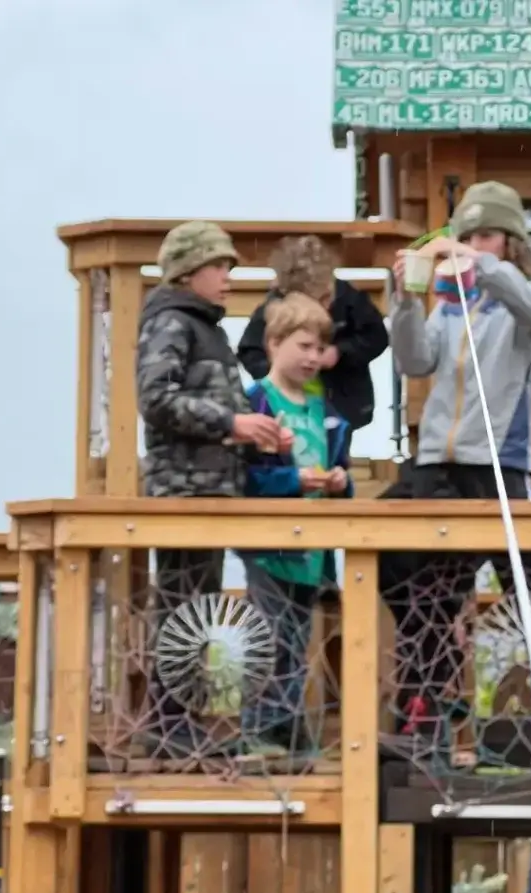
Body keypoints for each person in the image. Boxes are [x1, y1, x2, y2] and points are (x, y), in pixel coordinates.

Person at [137, 221, 291, 753]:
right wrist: (232, 424)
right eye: (219, 266)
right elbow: (155, 400)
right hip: (182, 491)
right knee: (181, 605)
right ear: (189, 269)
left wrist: (261, 433)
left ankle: (177, 724)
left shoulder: (211, 330)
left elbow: (221, 409)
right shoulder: (171, 324)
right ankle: (167, 726)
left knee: (193, 607)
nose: (228, 276)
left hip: (211, 488)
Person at [377, 423, 531, 741]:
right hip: (403, 558)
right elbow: (518, 579)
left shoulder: (481, 480)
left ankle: (419, 720)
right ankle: (417, 721)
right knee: (430, 636)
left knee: (433, 641)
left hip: (427, 567)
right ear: (526, 466)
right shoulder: (494, 486)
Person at [241, 293, 354, 753]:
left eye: (319, 348)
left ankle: (284, 725)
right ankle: (263, 726)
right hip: (268, 545)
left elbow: (339, 468)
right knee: (269, 633)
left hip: (313, 548)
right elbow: (245, 478)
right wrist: (294, 480)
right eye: (303, 346)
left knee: (298, 635)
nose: (313, 357)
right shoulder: (255, 403)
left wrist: (341, 482)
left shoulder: (323, 411)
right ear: (273, 343)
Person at [237, 234, 388, 455]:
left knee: (334, 458)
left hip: (341, 403)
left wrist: (340, 352)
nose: (326, 305)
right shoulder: (275, 309)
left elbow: (377, 337)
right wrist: (281, 376)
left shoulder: (348, 298)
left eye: (329, 296)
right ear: (292, 296)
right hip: (289, 410)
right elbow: (251, 350)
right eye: (318, 300)